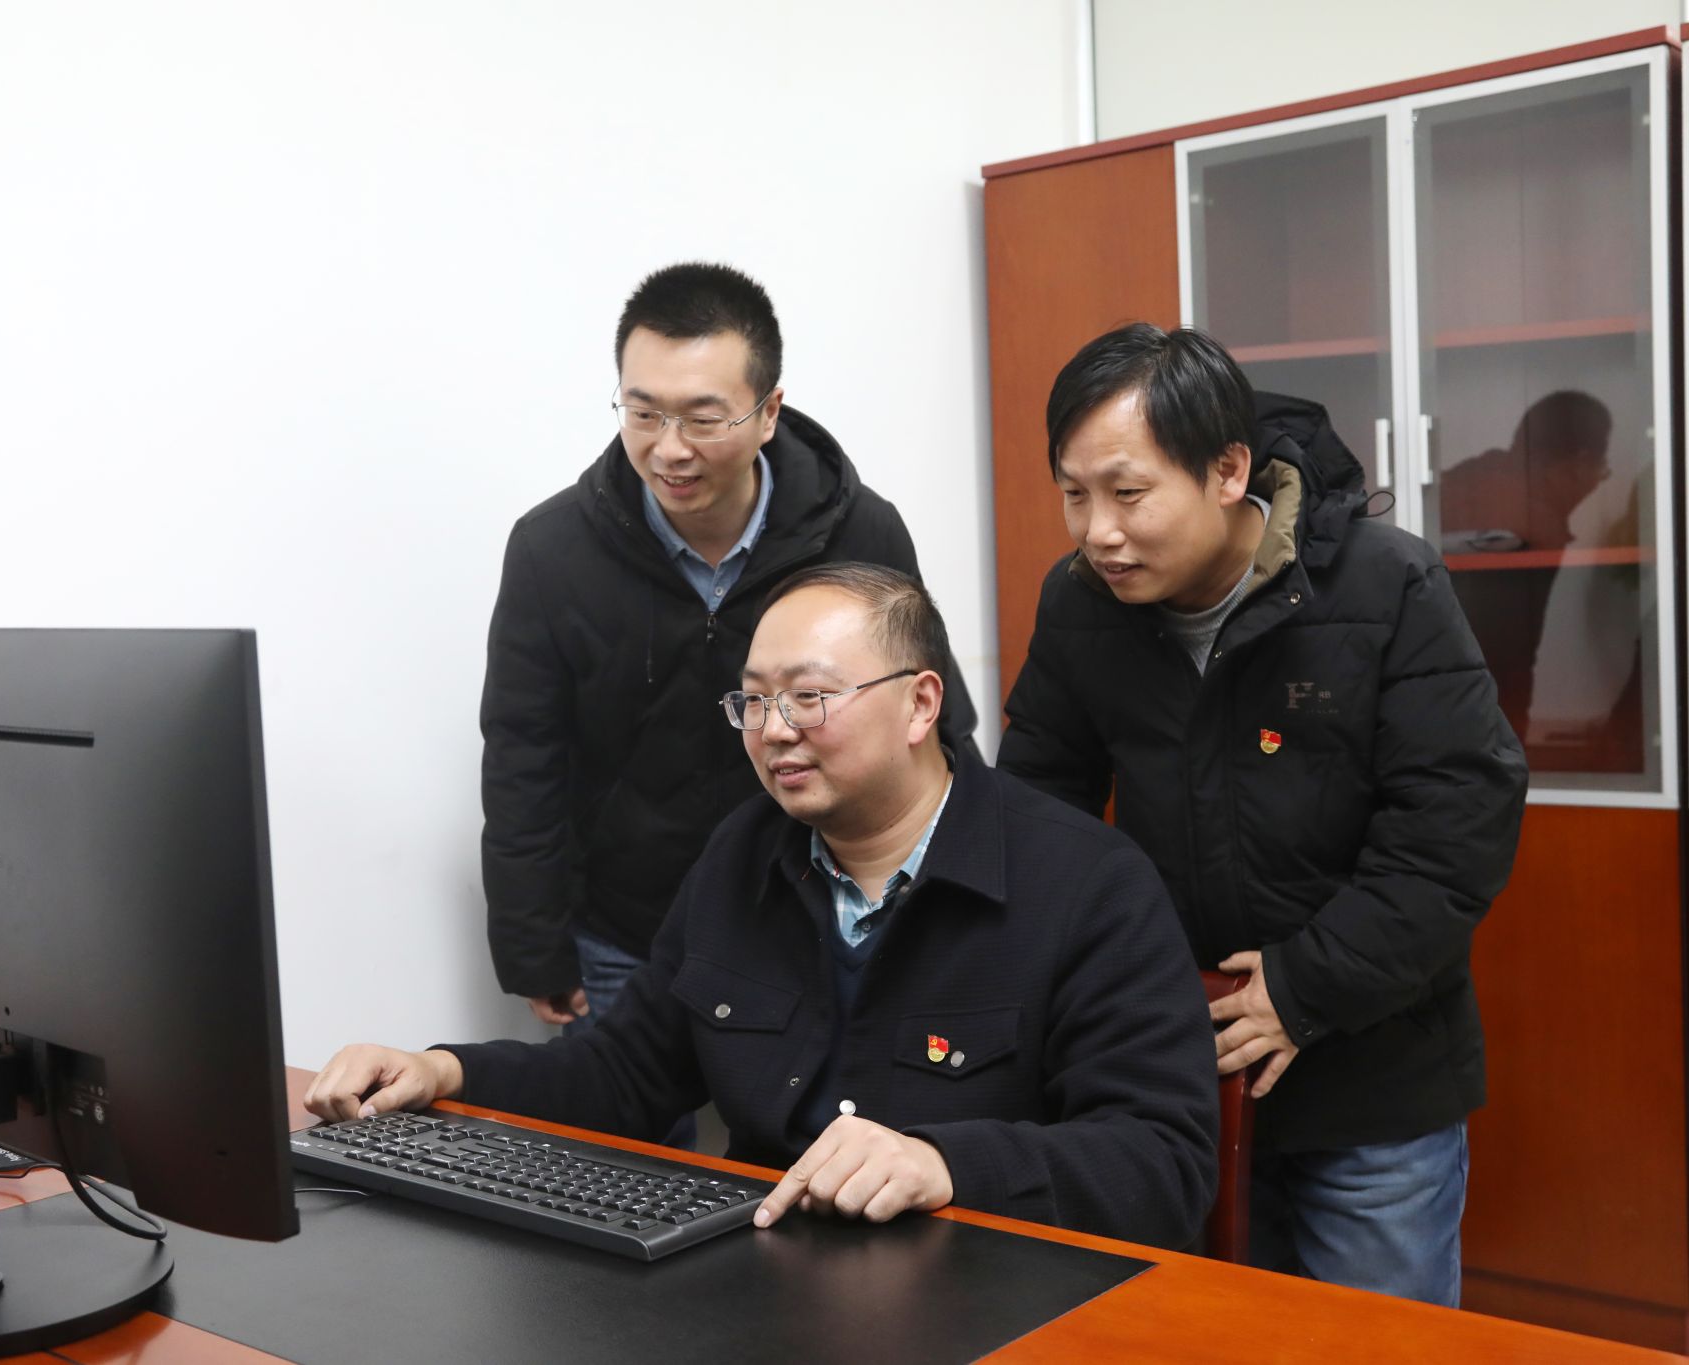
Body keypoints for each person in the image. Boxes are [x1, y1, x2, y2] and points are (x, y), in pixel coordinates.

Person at [311, 564, 1216, 1247]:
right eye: (753, 700)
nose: (774, 729)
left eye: (809, 697)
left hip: (992, 1292)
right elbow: (622, 1076)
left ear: (920, 704)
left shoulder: (1087, 883)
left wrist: (945, 1163)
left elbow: (1163, 1163)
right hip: (758, 1285)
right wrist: (442, 1070)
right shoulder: (742, 853)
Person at [998, 323, 1528, 1304]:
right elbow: (1036, 810)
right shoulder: (1080, 606)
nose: (1096, 531)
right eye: (1073, 494)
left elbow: (1455, 821)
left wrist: (1303, 986)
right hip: (1171, 1072)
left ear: (1227, 471)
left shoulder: (1382, 584)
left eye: (1127, 493)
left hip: (1369, 1078)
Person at [481, 263, 977, 1050]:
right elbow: (523, 756)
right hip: (627, 932)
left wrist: (965, 911)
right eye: (643, 413)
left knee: (829, 1120)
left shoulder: (859, 533)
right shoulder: (552, 550)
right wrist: (531, 941)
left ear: (768, 411)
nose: (669, 449)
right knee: (615, 1124)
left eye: (702, 418)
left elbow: (938, 732)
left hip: (821, 917)